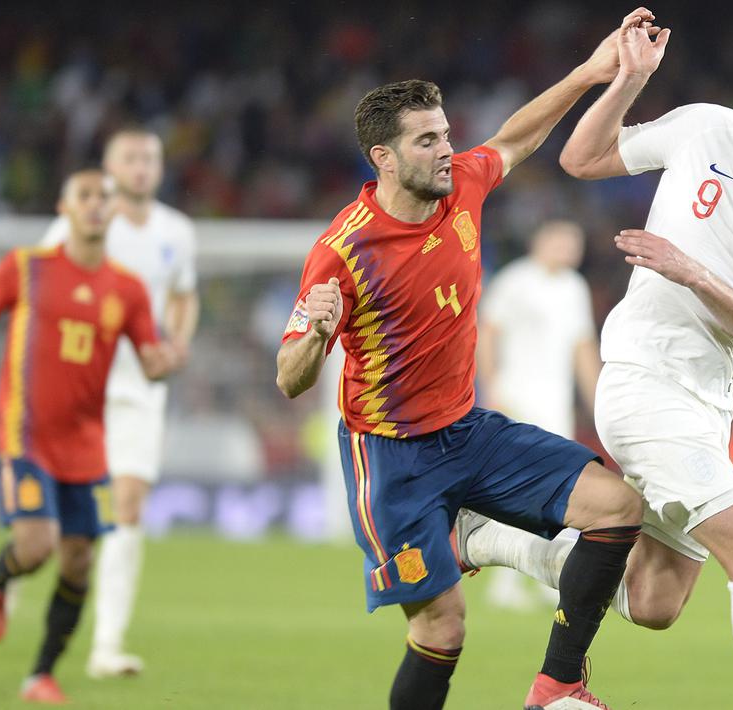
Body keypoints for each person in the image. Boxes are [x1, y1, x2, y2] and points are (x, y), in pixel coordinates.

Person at [455, 24, 733, 709]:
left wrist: (694, 273)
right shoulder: (708, 130)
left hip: (709, 399)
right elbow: (581, 158)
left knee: (654, 600)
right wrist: (629, 80)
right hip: (643, 377)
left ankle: (488, 535)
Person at [274, 10, 659, 709]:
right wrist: (312, 334)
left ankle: (557, 685)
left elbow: (515, 137)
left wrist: (590, 71)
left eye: (446, 134)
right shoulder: (342, 252)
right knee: (443, 628)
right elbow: (289, 379)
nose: (446, 151)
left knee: (617, 507)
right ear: (383, 158)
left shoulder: (463, 188)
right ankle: (462, 538)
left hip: (467, 430)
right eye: (426, 141)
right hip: (391, 457)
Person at [0, 170, 179, 704]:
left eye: (105, 197)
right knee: (36, 547)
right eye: (86, 196)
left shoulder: (127, 288)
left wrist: (167, 360)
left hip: (87, 443)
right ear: (65, 207)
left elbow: (150, 364)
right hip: (27, 434)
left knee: (79, 560)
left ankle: (41, 675)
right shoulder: (26, 267)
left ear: (115, 210)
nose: (97, 204)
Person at [41, 128, 199, 679]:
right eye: (130, 158)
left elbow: (183, 295)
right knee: (56, 518)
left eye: (150, 158)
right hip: (75, 387)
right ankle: (10, 568)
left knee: (127, 506)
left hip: (139, 388)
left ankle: (106, 646)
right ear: (108, 169)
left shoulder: (176, 231)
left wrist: (177, 343)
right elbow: (41, 290)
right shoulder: (77, 223)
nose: (141, 167)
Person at [476, 220, 601, 611]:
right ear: (541, 241)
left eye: (575, 243)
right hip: (515, 396)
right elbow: (487, 332)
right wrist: (491, 388)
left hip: (554, 401)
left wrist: (599, 403)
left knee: (558, 488)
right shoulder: (515, 281)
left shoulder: (574, 288)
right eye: (563, 241)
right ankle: (505, 581)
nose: (570, 249)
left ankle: (551, 575)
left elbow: (583, 348)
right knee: (516, 489)